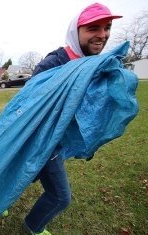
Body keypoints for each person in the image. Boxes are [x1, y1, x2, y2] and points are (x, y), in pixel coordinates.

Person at [22, 3, 122, 235]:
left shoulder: (93, 64)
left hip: (59, 143)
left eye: (107, 28)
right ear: (75, 31)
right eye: (93, 28)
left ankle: (1, 202)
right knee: (60, 196)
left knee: (23, 177)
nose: (102, 35)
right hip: (42, 144)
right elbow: (27, 105)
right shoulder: (55, 63)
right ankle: (32, 227)